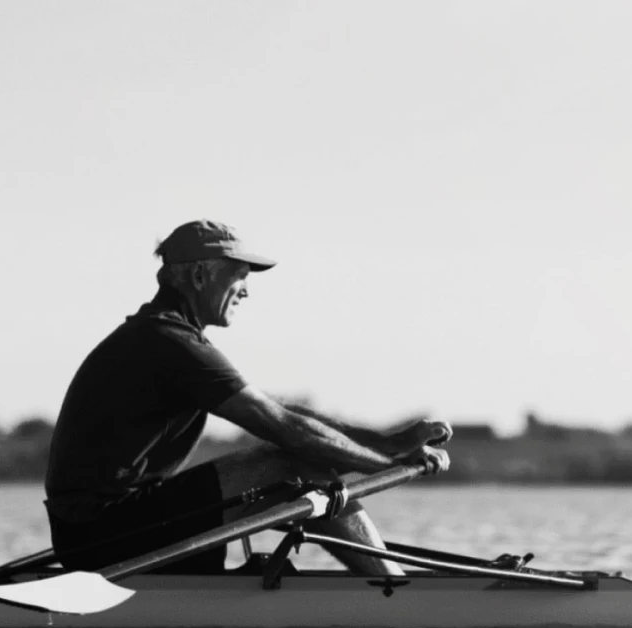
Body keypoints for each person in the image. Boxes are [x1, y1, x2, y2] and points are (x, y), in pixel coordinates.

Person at [43, 220, 451, 576]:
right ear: (200, 276)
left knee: (296, 464)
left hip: (105, 529)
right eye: (238, 276)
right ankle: (392, 590)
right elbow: (284, 429)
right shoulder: (167, 342)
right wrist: (386, 464)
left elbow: (285, 413)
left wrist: (387, 441)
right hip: (101, 535)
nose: (246, 291)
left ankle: (389, 584)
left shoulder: (166, 335)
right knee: (291, 465)